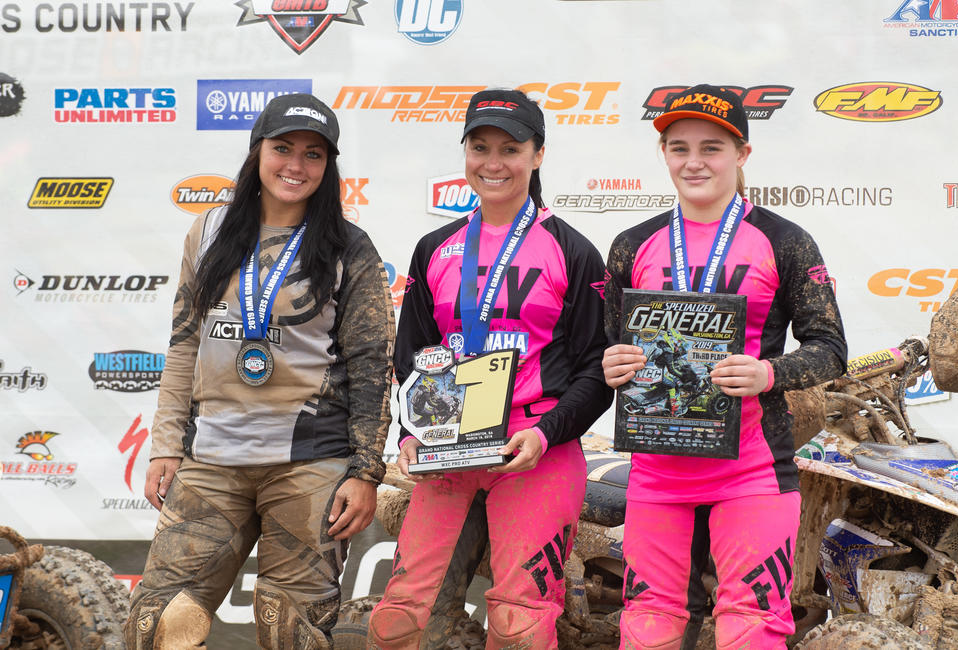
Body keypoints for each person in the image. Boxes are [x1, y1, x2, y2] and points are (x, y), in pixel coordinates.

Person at [124, 93, 395, 649]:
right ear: (257, 152)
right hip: (211, 459)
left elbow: (372, 365)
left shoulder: (348, 246)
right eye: (283, 148)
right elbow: (184, 343)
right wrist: (165, 445)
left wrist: (365, 471)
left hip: (310, 462)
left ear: (329, 166)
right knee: (156, 625)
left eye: (314, 154)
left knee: (290, 632)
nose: (296, 165)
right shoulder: (208, 231)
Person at [601, 84, 847, 649]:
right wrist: (611, 363)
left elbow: (830, 348)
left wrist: (768, 374)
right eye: (679, 148)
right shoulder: (632, 245)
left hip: (752, 469)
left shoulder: (784, 240)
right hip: (657, 472)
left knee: (751, 628)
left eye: (711, 148)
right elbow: (608, 347)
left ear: (742, 154)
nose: (694, 162)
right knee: (647, 628)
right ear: (664, 154)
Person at [367, 89, 612, 649]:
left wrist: (546, 433)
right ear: (466, 154)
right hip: (448, 444)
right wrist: (411, 433)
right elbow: (413, 356)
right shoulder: (436, 247)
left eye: (510, 148)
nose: (493, 162)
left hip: (535, 446)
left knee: (518, 624)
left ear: (538, 155)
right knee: (396, 620)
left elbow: (597, 372)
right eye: (480, 147)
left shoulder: (573, 251)